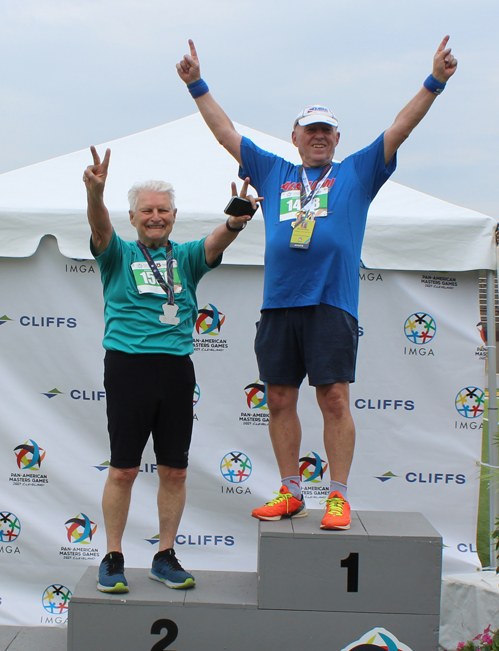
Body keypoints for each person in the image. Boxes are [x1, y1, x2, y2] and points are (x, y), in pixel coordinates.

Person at [177, 37, 457, 531]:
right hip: (280, 304)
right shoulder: (274, 172)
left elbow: (400, 129)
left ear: (337, 138)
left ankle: (338, 496)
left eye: (326, 130)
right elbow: (226, 133)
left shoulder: (355, 174)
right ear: (296, 136)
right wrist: (196, 83)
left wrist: (434, 80)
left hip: (331, 303)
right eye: (311, 130)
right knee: (280, 399)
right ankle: (290, 490)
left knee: (333, 400)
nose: (319, 137)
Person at [84, 146, 259, 593]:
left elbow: (217, 241)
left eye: (162, 210)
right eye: (147, 210)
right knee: (123, 469)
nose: (155, 216)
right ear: (133, 216)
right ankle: (113, 556)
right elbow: (99, 229)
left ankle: (164, 555)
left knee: (174, 470)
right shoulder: (117, 253)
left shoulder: (185, 258)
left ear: (174, 215)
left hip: (176, 371)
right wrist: (96, 194)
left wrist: (237, 220)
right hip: (128, 368)